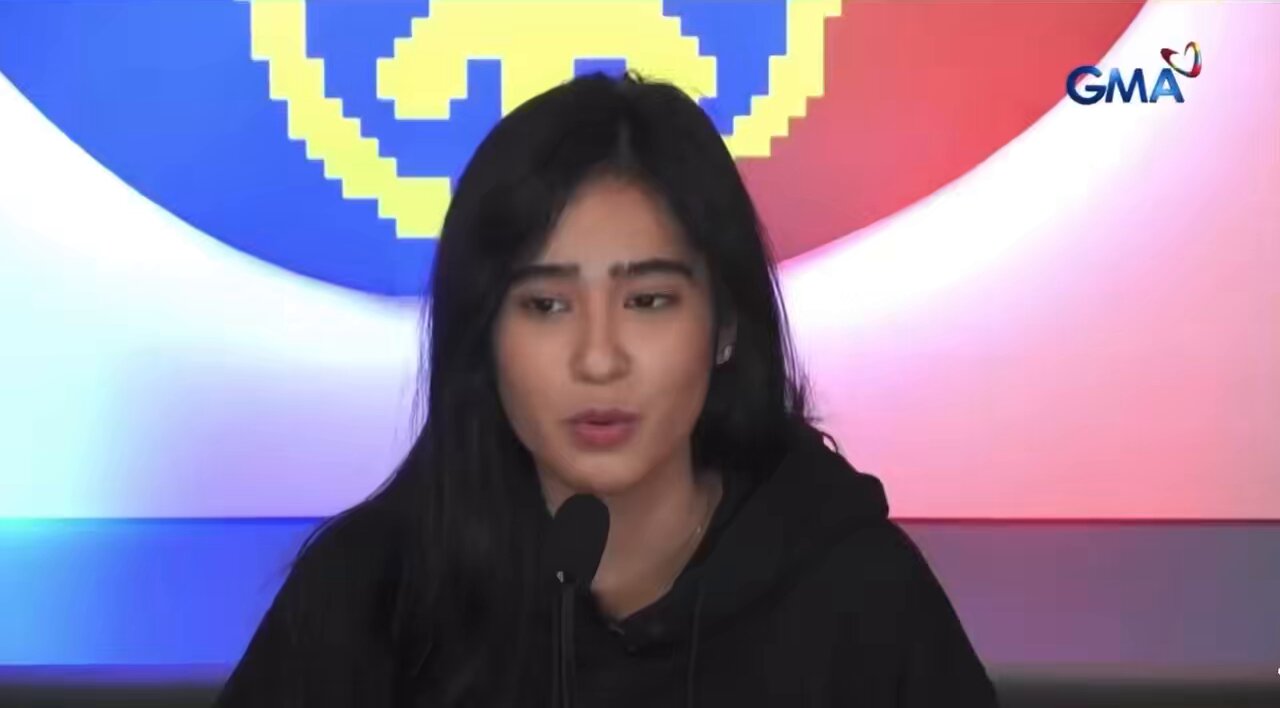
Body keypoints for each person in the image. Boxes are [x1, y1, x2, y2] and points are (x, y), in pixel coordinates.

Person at [213, 71, 997, 708]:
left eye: (648, 301)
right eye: (546, 306)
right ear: (484, 335)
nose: (598, 359)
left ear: (725, 324)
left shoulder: (857, 596)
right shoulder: (371, 597)